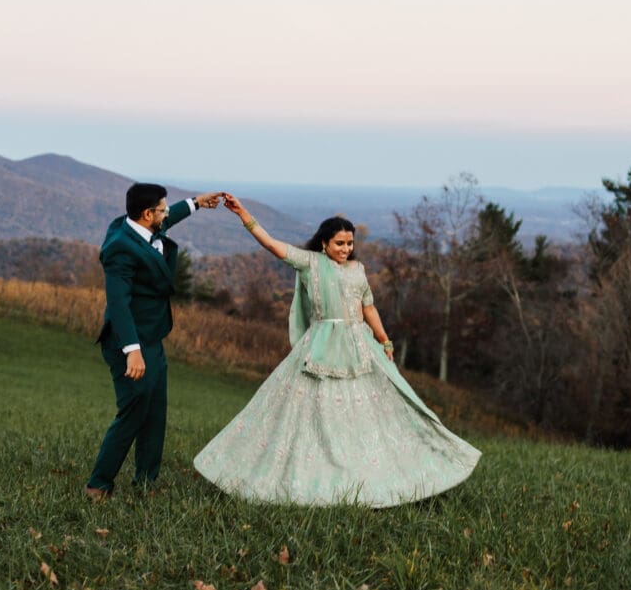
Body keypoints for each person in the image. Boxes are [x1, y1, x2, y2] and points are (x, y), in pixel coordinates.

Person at [193, 194, 481, 507]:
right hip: (320, 346)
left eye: (349, 244)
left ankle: (384, 473)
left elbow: (369, 308)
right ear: (324, 244)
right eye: (339, 243)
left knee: (388, 409)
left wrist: (384, 340)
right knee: (307, 412)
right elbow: (272, 245)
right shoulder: (310, 263)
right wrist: (243, 215)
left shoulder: (358, 270)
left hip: (360, 346)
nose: (345, 249)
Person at [85, 183, 223, 500]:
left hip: (153, 336)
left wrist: (196, 203)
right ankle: (97, 485)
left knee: (155, 412)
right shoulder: (121, 247)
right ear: (148, 214)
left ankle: (146, 483)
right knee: (133, 412)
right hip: (130, 342)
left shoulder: (133, 224)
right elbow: (118, 304)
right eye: (161, 209)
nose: (165, 212)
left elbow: (168, 219)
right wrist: (132, 351)